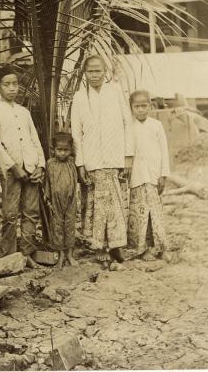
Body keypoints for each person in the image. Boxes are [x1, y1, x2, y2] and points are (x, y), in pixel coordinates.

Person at [70, 55, 135, 271]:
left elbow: (127, 123)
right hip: (92, 160)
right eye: (90, 72)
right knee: (96, 206)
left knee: (115, 204)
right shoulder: (79, 97)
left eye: (98, 71)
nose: (95, 75)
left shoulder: (115, 91)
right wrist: (81, 163)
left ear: (105, 72)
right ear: (84, 74)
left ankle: (115, 246)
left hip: (114, 158)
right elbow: (76, 133)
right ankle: (99, 247)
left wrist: (127, 156)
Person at [0, 65, 46, 269]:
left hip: (30, 168)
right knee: (10, 215)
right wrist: (13, 167)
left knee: (30, 212)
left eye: (15, 84)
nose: (12, 88)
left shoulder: (24, 112)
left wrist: (40, 165)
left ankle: (27, 253)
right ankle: (9, 256)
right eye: (6, 84)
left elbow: (34, 139)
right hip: (11, 172)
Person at [127, 90, 170, 260]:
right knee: (140, 214)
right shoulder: (129, 126)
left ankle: (160, 246)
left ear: (150, 106)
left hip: (153, 175)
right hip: (137, 176)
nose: (140, 109)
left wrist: (163, 174)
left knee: (155, 212)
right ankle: (142, 248)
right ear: (131, 107)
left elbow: (164, 151)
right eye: (136, 106)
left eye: (144, 106)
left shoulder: (156, 125)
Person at [44, 132, 79, 268]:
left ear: (70, 150)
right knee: (57, 227)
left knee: (70, 226)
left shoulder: (72, 163)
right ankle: (61, 255)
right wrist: (48, 198)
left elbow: (75, 181)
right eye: (60, 150)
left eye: (66, 150)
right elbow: (47, 182)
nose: (63, 153)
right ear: (53, 150)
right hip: (55, 201)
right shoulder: (50, 164)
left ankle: (69, 254)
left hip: (70, 200)